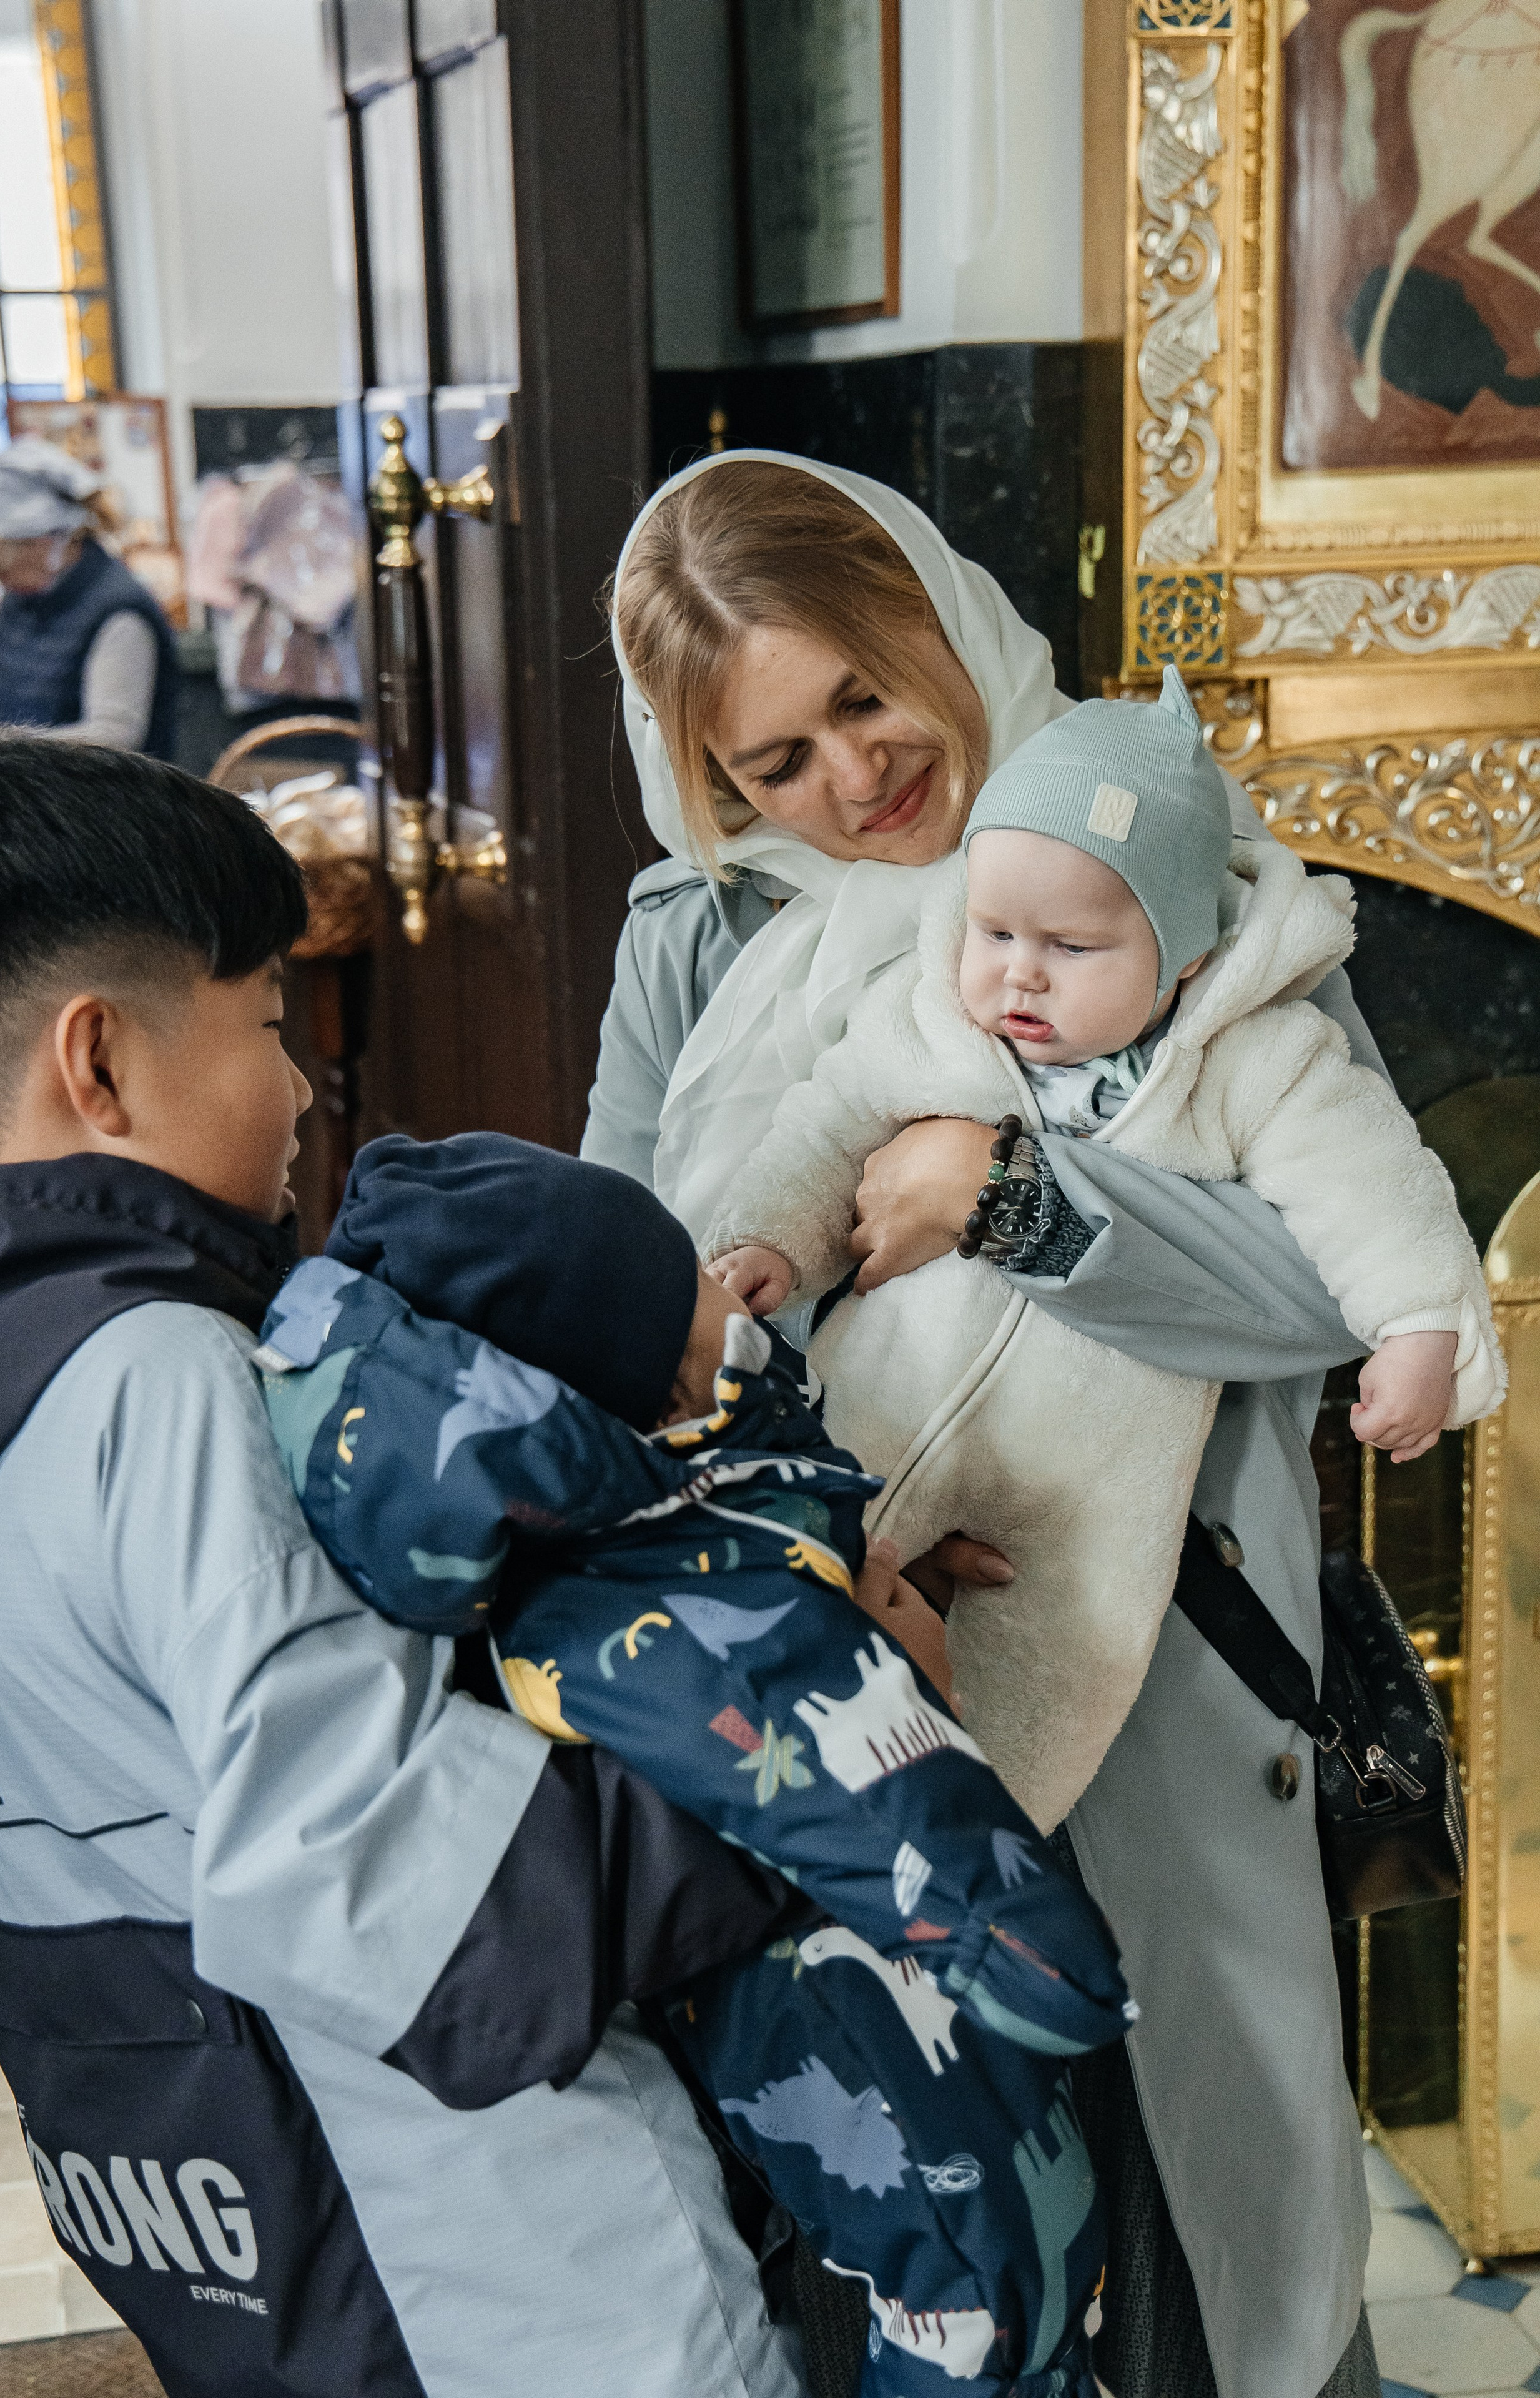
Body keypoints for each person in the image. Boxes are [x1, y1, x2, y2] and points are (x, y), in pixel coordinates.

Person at [583, 450, 1387, 2398]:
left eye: (862, 691)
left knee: (1223, 2215)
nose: (850, 779)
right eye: (773, 761)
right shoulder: (694, 948)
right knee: (894, 2216)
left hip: (1170, 1657)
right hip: (850, 1673)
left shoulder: (1165, 857)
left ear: (936, 611)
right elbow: (623, 1322)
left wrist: (999, 1195)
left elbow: (1324, 1283)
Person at [0, 729, 830, 2398]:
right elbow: (424, 1918)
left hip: (237, 2268)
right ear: (100, 1065)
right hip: (512, 2294)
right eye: (269, 1025)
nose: (298, 1088)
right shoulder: (159, 1386)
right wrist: (820, 1759)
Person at [249, 1126, 1137, 2394]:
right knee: (978, 2282)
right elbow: (840, 1768)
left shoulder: (656, 1518)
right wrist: (1028, 1943)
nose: (736, 1290)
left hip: (832, 1967)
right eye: (702, 1289)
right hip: (846, 1993)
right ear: (669, 1389)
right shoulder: (636, 1598)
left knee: (1006, 2275)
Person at [705, 668, 1500, 1831]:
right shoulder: (930, 1014)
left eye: (1073, 947)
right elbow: (825, 1125)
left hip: (1088, 1490)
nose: (1019, 973)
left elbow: (1376, 1191)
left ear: (1181, 959)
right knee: (779, 1593)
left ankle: (985, 1844)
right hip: (871, 1412)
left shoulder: (1253, 1063)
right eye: (995, 933)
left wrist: (1420, 1329)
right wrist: (770, 1238)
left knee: (1047, 1686)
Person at [0, 439, 178, 757]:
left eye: (4, 565)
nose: (0, 579)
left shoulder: (120, 614)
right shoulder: (25, 596)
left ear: (43, 540)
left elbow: (114, 735)